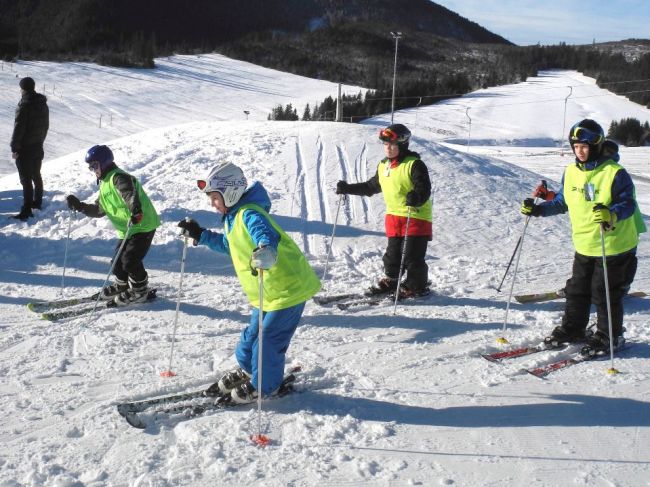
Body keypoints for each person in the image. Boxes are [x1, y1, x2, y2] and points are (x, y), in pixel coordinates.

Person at [178, 162, 320, 404]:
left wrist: (265, 248)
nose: (212, 204)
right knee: (250, 336)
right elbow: (231, 246)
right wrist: (201, 235)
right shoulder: (232, 217)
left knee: (267, 340)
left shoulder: (250, 213)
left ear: (230, 192)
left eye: (215, 198)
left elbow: (264, 234)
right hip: (266, 291)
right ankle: (248, 370)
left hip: (287, 289)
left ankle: (266, 386)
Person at [521, 119, 646, 356]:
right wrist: (537, 210)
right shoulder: (570, 172)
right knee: (577, 289)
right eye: (576, 146)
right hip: (585, 243)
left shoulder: (614, 173)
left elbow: (627, 204)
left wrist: (611, 213)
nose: (580, 151)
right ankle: (573, 329)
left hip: (613, 244)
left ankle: (610, 336)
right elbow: (562, 202)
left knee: (603, 291)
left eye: (585, 146)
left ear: (597, 146)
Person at [335, 123, 432, 297]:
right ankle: (391, 280)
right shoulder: (383, 166)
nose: (388, 148)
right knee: (392, 255)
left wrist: (417, 197)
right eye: (385, 145)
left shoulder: (414, 164)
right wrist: (347, 188)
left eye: (392, 145)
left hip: (415, 216)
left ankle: (416, 286)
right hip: (394, 218)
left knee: (412, 255)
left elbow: (423, 188)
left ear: (402, 145)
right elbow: (370, 187)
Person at [66, 145, 160, 306]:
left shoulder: (118, 177)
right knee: (117, 263)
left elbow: (129, 193)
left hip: (142, 224)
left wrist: (136, 210)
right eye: (90, 167)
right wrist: (80, 206)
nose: (92, 169)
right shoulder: (105, 184)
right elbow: (99, 210)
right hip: (128, 229)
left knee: (130, 260)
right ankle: (122, 286)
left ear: (104, 162)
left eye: (94, 165)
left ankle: (140, 290)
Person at [10, 76, 49, 221]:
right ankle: (37, 203)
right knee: (36, 174)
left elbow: (19, 127)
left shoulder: (24, 104)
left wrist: (14, 147)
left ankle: (26, 210)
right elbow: (46, 126)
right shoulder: (42, 103)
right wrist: (40, 141)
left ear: (23, 89)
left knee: (25, 179)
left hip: (25, 148)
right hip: (38, 145)